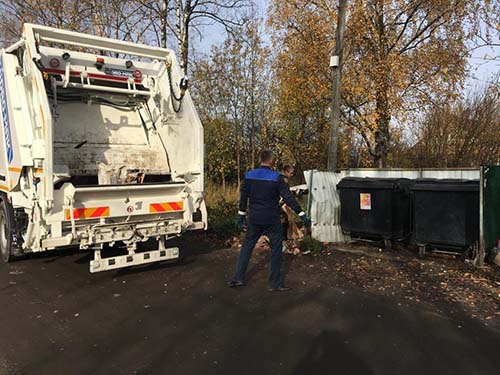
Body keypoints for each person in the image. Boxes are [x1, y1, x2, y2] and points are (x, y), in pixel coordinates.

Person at [228, 150, 312, 292]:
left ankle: (238, 278)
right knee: (276, 250)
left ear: (260, 159)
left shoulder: (249, 176)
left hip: (254, 218)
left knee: (247, 247)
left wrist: (241, 215)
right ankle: (274, 283)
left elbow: (243, 198)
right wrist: (302, 214)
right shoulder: (277, 178)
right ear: (272, 161)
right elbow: (288, 198)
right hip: (272, 220)